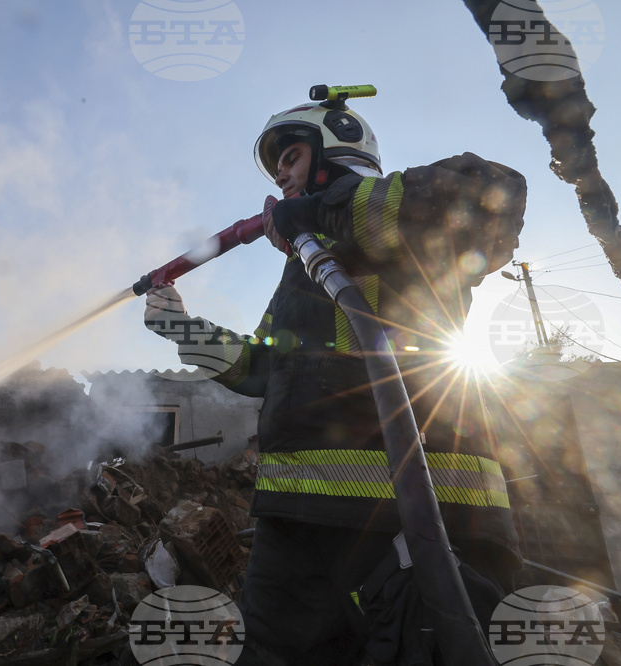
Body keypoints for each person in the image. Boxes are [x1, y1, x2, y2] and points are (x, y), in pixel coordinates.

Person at [144, 93, 527, 665]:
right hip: (299, 520)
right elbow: (261, 369)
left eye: (291, 156)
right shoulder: (304, 270)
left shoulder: (403, 223)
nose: (280, 173)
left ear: (336, 150)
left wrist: (327, 210)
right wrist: (181, 328)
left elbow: (494, 194)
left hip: (418, 515)